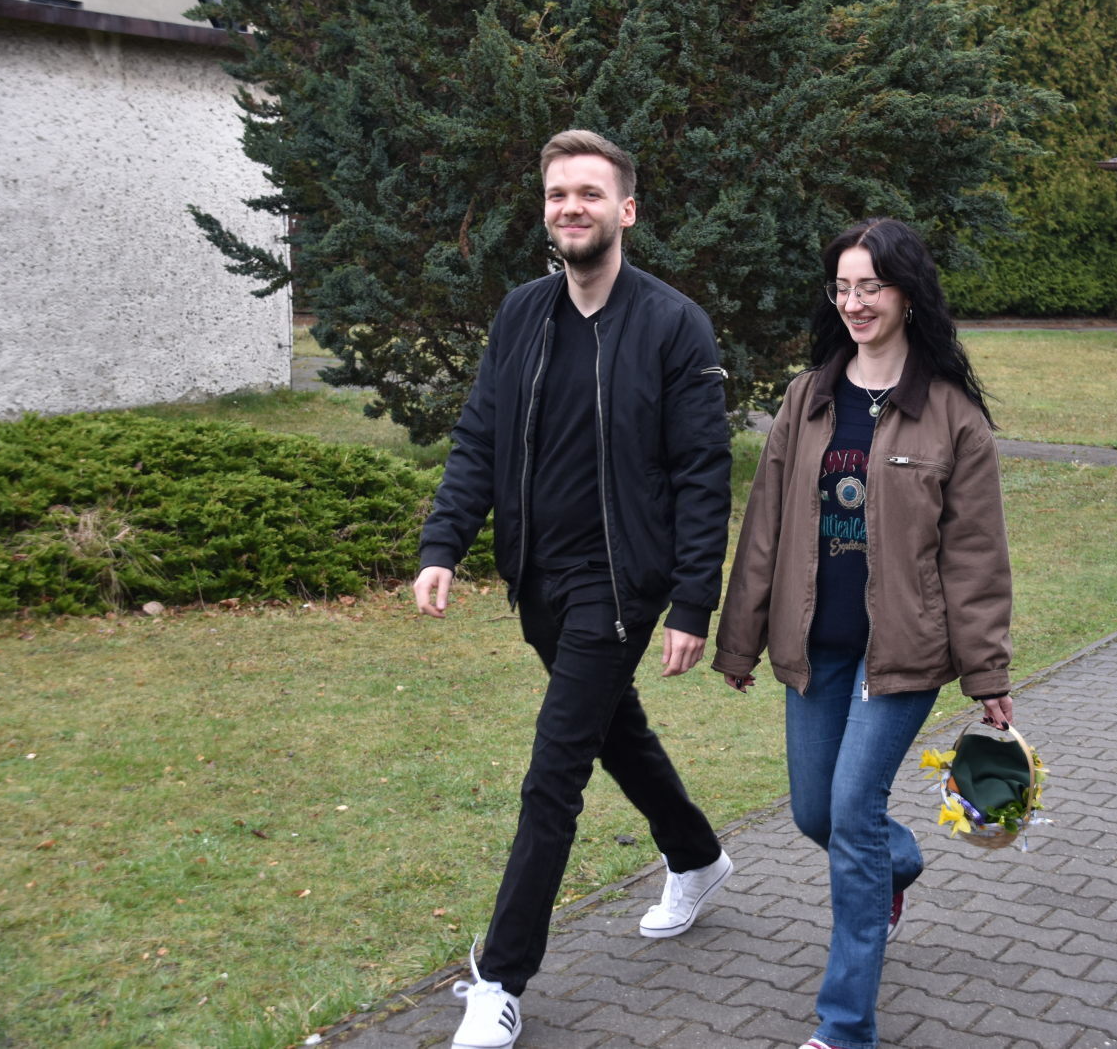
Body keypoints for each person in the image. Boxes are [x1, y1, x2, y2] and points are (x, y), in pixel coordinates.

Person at [414, 129, 734, 1049]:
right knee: (610, 727)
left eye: (589, 193)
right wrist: (444, 543)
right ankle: (697, 855)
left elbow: (702, 472)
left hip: (620, 584)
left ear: (625, 209)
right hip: (538, 579)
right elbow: (480, 436)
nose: (571, 208)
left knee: (554, 771)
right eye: (558, 194)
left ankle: (500, 978)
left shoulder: (673, 323)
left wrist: (691, 601)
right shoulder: (522, 313)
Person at [712, 217, 1014, 1049]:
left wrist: (987, 673)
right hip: (816, 647)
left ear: (906, 294)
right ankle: (895, 864)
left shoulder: (950, 415)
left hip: (902, 653)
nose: (854, 302)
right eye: (842, 287)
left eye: (870, 287)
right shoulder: (807, 398)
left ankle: (845, 1026)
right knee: (817, 812)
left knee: (852, 810)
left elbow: (975, 555)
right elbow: (765, 527)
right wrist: (739, 639)